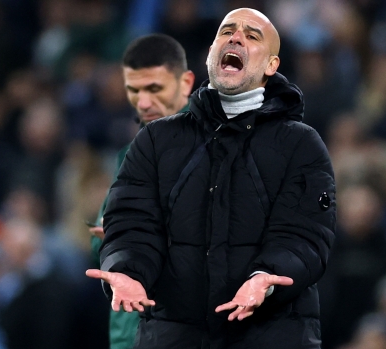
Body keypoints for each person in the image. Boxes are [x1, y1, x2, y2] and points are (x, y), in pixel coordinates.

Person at [86, 7, 336, 349]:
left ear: (271, 66)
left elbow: (305, 234)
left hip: (271, 334)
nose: (236, 37)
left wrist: (265, 278)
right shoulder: (156, 140)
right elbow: (131, 222)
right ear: (209, 56)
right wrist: (127, 269)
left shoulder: (300, 144)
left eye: (251, 36)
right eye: (227, 31)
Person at [88, 34, 195, 349]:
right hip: (129, 330)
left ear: (186, 83)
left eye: (154, 89)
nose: (143, 103)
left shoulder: (214, 148)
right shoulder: (129, 155)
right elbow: (103, 244)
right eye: (133, 90)